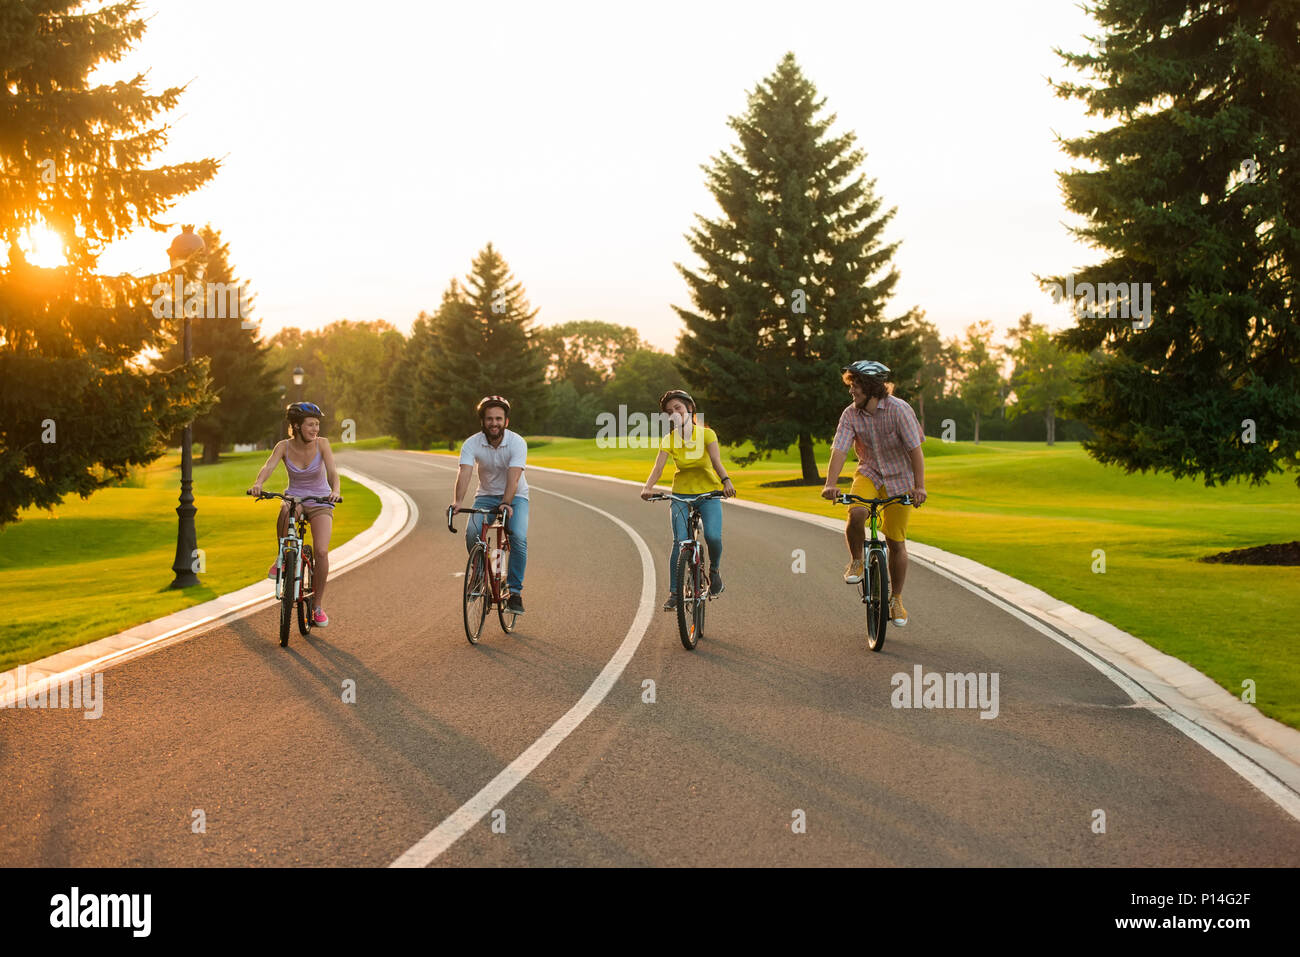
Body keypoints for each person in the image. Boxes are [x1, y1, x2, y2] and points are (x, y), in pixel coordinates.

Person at [820, 361, 927, 627]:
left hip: (900, 478)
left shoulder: (899, 410)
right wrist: (830, 483)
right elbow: (840, 450)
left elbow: (915, 451)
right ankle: (857, 560)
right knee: (856, 513)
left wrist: (919, 486)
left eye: (855, 385)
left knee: (896, 541)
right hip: (869, 473)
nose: (852, 391)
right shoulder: (850, 414)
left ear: (870, 388)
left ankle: (896, 599)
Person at [640, 389, 737, 611]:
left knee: (712, 535)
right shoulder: (669, 439)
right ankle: (675, 592)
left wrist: (726, 481)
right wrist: (647, 487)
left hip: (708, 494)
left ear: (689, 409)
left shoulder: (707, 434)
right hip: (681, 495)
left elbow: (715, 461)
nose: (674, 413)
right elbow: (658, 467)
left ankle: (714, 572)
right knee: (679, 542)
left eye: (678, 408)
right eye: (669, 412)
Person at [247, 401, 342, 627]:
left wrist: (335, 491)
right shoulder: (283, 446)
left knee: (321, 550)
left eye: (317, 425)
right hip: (295, 498)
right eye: (311, 425)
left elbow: (332, 472)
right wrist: (258, 484)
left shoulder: (323, 445)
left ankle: (317, 606)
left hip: (320, 501)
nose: (315, 429)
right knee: (285, 508)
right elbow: (268, 467)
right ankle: (282, 558)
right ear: (297, 426)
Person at [451, 395, 529, 615]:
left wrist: (506, 502)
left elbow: (514, 477)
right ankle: (478, 577)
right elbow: (464, 472)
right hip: (485, 495)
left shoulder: (517, 442)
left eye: (498, 418)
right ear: (482, 421)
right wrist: (457, 502)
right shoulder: (472, 443)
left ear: (506, 421)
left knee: (518, 537)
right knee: (473, 532)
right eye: (489, 419)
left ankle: (514, 592)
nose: (493, 423)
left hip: (515, 496)